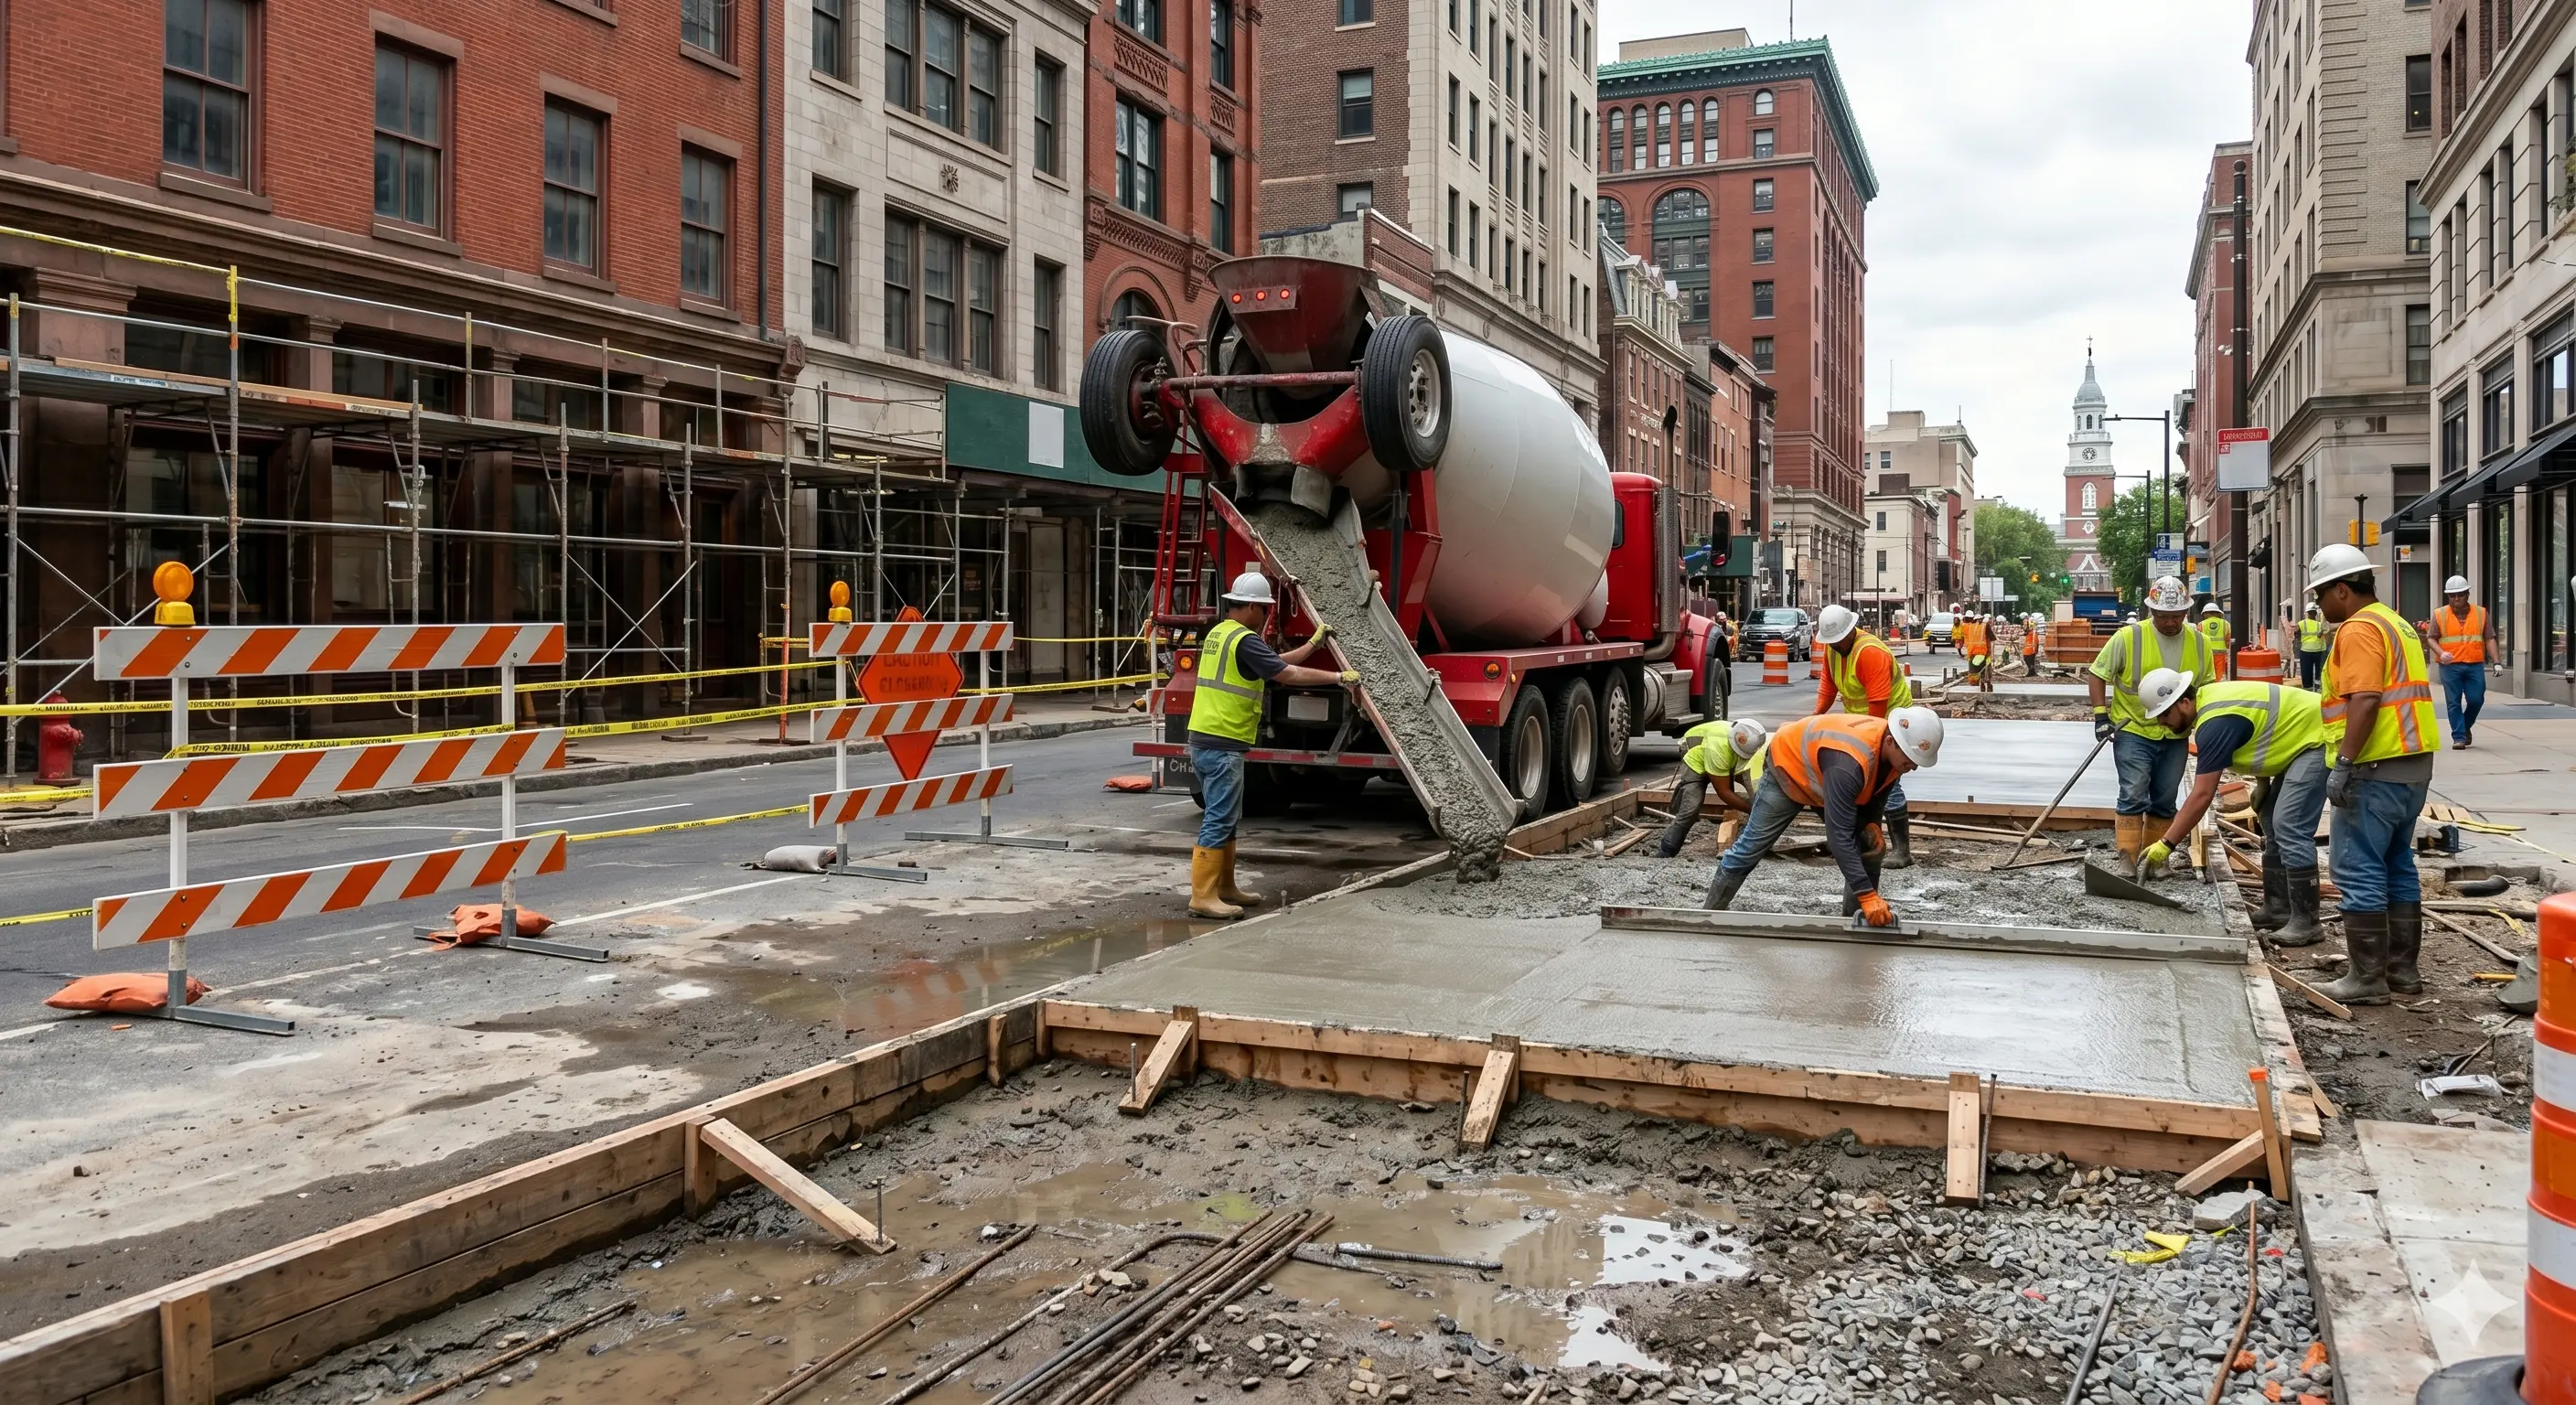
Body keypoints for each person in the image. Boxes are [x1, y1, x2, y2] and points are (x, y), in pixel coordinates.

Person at [2307, 543, 2442, 1005]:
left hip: (2374, 766)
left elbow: (2364, 698)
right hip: (2411, 764)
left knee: (2357, 866)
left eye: (2321, 595)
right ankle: (2402, 972)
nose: (2318, 606)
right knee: (2397, 864)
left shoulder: (2359, 629)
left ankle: (2366, 979)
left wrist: (2344, 764)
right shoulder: (2396, 622)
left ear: (2342, 590)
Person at [1185, 571, 1359, 918]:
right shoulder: (1245, 640)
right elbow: (1286, 675)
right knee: (1219, 818)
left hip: (1207, 738)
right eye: (1263, 609)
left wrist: (1313, 644)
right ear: (1250, 607)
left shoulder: (1222, 634)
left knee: (1227, 818)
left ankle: (1224, 888)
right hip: (1222, 742)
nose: (1266, 616)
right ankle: (1202, 896)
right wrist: (1339, 677)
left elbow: (1275, 664)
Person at [2132, 669, 2330, 946]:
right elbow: (2264, 729)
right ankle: (2278, 908)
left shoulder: (2215, 723)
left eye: (2164, 714)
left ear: (2184, 703)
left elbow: (2202, 795)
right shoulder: (2211, 705)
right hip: (2298, 741)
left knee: (2289, 825)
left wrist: (2166, 844)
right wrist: (2263, 783)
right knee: (2273, 821)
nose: (2162, 723)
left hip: (2318, 739)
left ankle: (2307, 922)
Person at [1702, 708, 1946, 927]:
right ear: (1891, 742)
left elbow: (1878, 792)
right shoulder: (1849, 763)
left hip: (1824, 775)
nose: (1913, 766)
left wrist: (1871, 825)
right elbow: (1838, 836)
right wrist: (1867, 893)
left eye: (1917, 762)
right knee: (1752, 846)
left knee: (1868, 846)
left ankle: (1856, 923)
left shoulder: (1896, 755)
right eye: (1910, 760)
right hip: (1788, 769)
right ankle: (1708, 917)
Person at [2087, 575, 2217, 867]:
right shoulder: (2129, 638)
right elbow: (2098, 673)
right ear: (2151, 612)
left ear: (2186, 612)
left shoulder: (2199, 643)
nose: (2170, 622)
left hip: (2176, 736)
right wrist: (2100, 715)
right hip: (2133, 730)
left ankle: (2154, 861)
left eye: (2176, 616)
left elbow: (2207, 687)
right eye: (2163, 616)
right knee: (2133, 792)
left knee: (2165, 798)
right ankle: (2127, 858)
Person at [1811, 603, 1918, 865]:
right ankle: (1852, 839)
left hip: (1891, 722)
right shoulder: (1833, 649)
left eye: (1838, 640)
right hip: (1861, 723)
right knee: (1856, 784)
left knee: (1886, 782)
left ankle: (1902, 851)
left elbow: (1878, 705)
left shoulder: (1869, 652)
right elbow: (1828, 686)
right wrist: (1815, 719)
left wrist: (1867, 745)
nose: (1834, 645)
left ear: (1850, 630)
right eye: (1831, 641)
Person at [1657, 717, 1770, 857]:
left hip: (1726, 756)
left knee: (1756, 797)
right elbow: (1724, 792)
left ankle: (1756, 842)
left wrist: (1761, 806)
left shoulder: (1754, 744)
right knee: (1691, 806)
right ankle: (1667, 849)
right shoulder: (1718, 747)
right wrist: (1753, 810)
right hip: (1696, 758)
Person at [2424, 574, 2496, 748]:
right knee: (2453, 702)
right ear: (2448, 596)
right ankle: (2459, 737)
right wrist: (2441, 654)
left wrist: (2497, 662)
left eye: (2461, 594)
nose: (2457, 598)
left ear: (2467, 594)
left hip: (2474, 665)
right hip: (2450, 667)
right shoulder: (2439, 614)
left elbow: (2490, 638)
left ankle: (2464, 727)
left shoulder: (2481, 613)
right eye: (2452, 595)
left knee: (2476, 699)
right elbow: (2431, 638)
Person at [2296, 603, 2330, 691]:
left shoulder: (2301, 624)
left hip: (2306, 651)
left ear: (2307, 613)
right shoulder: (2320, 625)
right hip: (2319, 651)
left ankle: (2308, 689)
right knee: (2319, 672)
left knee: (2306, 672)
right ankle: (2318, 689)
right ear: (2315, 613)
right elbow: (2327, 636)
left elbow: (2297, 636)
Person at [2199, 603, 2232, 680]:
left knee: (2207, 675)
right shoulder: (2226, 624)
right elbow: (2228, 641)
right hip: (2221, 654)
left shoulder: (2201, 624)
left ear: (2205, 614)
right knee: (2219, 676)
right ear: (2218, 613)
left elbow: (2198, 641)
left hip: (2206, 654)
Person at [2021, 613, 2047, 677]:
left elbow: (2028, 629)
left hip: (2031, 641)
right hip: (2031, 639)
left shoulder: (2029, 621)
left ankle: (2031, 668)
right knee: (2031, 659)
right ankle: (2032, 672)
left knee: (2026, 657)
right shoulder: (2029, 621)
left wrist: (2024, 632)